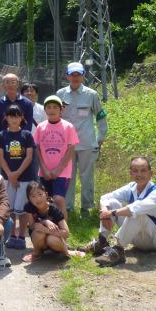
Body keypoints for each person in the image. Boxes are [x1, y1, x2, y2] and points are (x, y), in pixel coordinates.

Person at [80, 157, 156, 267]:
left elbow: (134, 208)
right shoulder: (131, 187)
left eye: (143, 170)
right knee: (112, 203)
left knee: (137, 214)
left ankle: (118, 250)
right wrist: (105, 214)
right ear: (130, 173)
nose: (139, 174)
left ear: (150, 173)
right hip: (138, 239)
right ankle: (102, 242)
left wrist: (111, 213)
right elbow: (105, 198)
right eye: (135, 171)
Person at [57, 62, 108, 216]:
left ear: (83, 76)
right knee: (68, 177)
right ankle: (68, 207)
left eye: (78, 74)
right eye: (72, 74)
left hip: (86, 142)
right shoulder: (60, 94)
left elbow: (100, 115)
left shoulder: (91, 94)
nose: (75, 77)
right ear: (67, 76)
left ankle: (86, 207)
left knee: (87, 177)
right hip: (66, 145)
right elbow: (55, 117)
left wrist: (101, 136)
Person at [0, 104, 36, 250]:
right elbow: (0, 157)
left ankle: (21, 236)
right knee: (11, 208)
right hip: (7, 178)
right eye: (11, 116)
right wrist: (10, 175)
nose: (14, 119)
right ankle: (12, 234)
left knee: (22, 208)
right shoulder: (1, 135)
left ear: (22, 118)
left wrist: (17, 174)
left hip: (25, 177)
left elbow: (29, 156)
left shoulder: (27, 135)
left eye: (17, 116)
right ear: (6, 118)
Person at [32, 96, 78, 218]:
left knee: (58, 199)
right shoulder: (40, 127)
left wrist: (58, 170)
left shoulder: (68, 127)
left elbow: (71, 149)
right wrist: (44, 169)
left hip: (62, 172)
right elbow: (38, 149)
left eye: (55, 107)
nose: (52, 110)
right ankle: (48, 228)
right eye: (49, 107)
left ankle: (64, 231)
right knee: (45, 200)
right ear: (45, 110)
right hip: (44, 171)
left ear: (61, 110)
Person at [22, 182, 84, 263]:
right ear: (28, 198)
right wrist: (44, 221)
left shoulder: (54, 209)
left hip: (55, 240)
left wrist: (46, 230)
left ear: (46, 194)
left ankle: (67, 252)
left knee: (51, 239)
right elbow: (32, 226)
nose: (37, 198)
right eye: (33, 196)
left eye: (40, 194)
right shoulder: (29, 207)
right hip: (40, 241)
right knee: (38, 232)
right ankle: (36, 252)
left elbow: (66, 233)